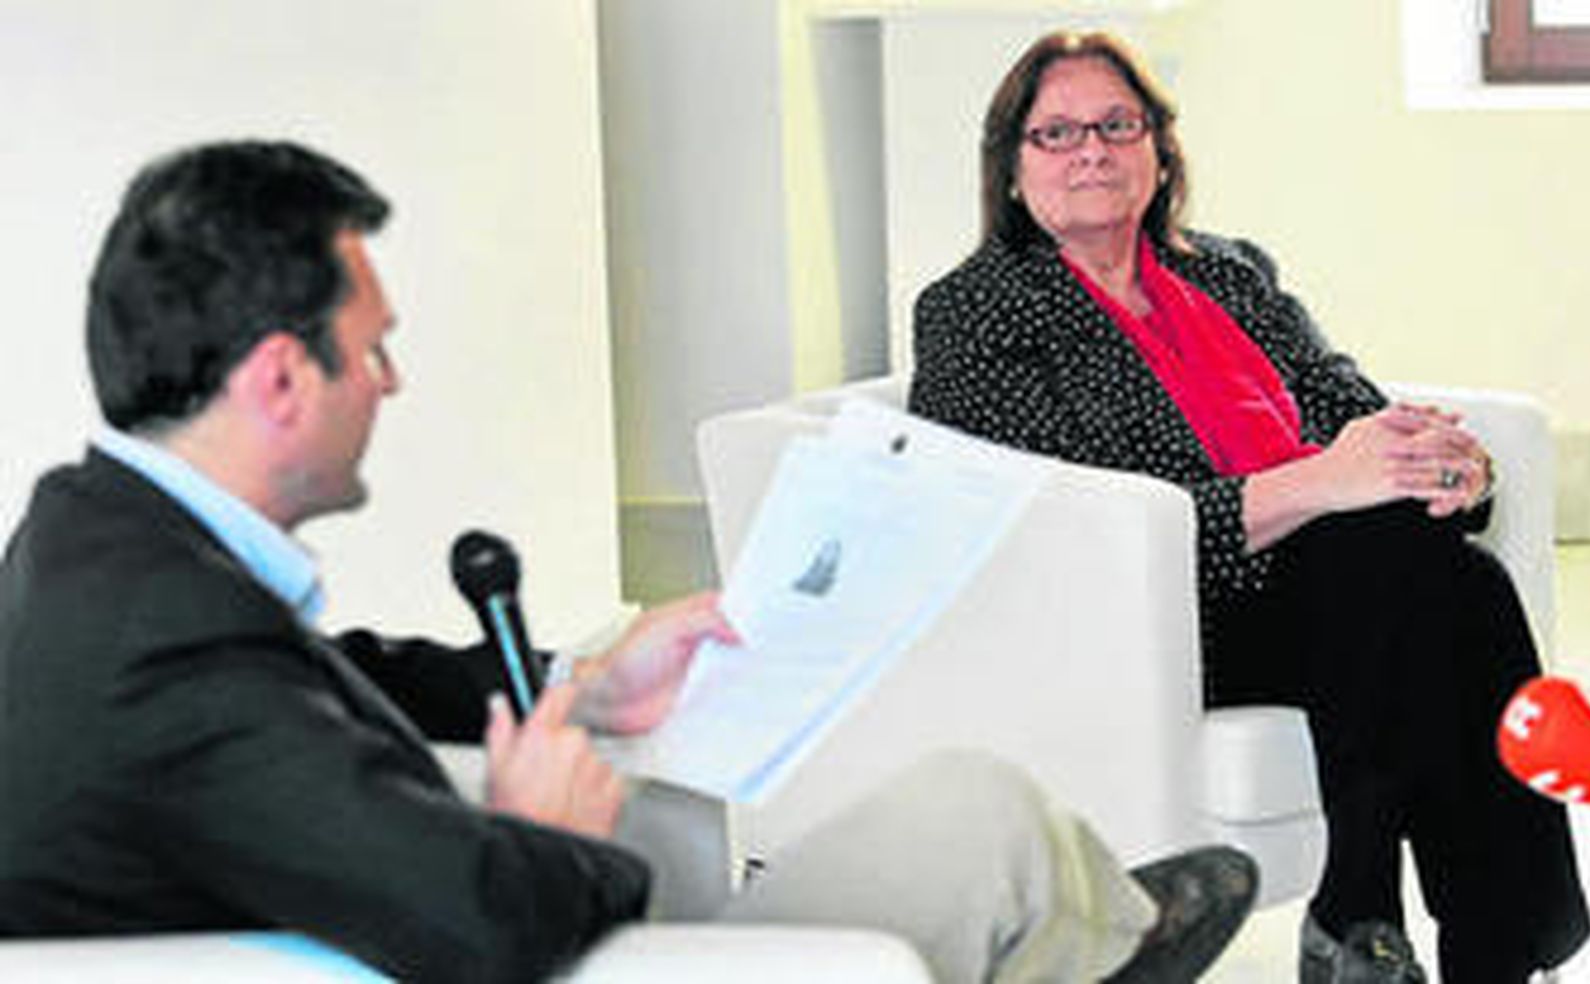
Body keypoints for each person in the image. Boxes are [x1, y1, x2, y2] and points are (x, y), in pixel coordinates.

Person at [0, 140, 1258, 982]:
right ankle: (1099, 945)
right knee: (987, 827)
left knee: (971, 827)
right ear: (282, 377)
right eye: (371, 350)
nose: (391, 382)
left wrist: (584, 685)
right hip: (518, 935)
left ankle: (1094, 938)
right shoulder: (159, 643)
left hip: (460, 907)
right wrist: (545, 827)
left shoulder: (102, 546)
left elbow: (338, 677)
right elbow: (483, 922)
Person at [908, 29, 1590, 984]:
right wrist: (1327, 483)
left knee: (1428, 567)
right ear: (1012, 171)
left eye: (1117, 123)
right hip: (1144, 623)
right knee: (1426, 578)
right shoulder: (973, 312)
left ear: (1159, 147)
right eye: (1055, 134)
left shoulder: (1228, 273)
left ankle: (1370, 934)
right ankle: (1444, 936)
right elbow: (1086, 526)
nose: (1092, 150)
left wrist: (1447, 469)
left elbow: (1345, 401)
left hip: (1318, 589)